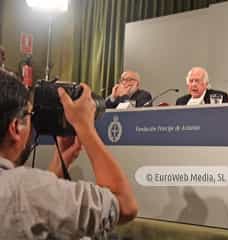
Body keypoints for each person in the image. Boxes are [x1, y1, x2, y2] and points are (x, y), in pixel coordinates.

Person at [0, 70, 138, 239]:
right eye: (30, 115)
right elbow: (124, 205)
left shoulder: (27, 192)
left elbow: (32, 209)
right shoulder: (25, 189)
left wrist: (60, 161)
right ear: (15, 127)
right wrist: (85, 128)